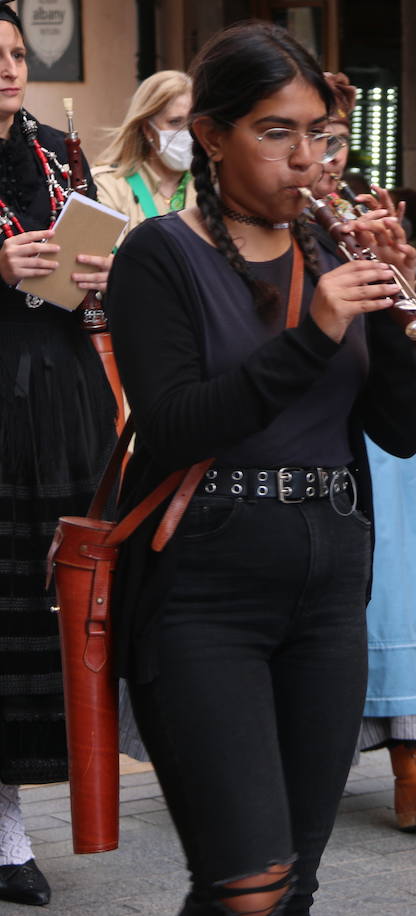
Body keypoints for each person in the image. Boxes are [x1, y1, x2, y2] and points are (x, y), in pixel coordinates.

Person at [103, 21, 416, 914]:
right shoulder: (159, 255)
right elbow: (170, 426)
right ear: (211, 136)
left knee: (295, 879)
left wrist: (399, 312)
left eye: (320, 135)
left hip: (329, 581)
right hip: (205, 587)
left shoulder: (334, 254)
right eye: (276, 132)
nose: (306, 160)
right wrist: (314, 332)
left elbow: (400, 432)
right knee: (246, 885)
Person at [311, 67, 416, 831]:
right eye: (309, 137)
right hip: (317, 428)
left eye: (338, 139)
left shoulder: (354, 212)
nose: (329, 155)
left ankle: (415, 766)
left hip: (391, 429)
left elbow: (415, 330)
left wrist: (407, 278)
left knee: (406, 589)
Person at [0, 0, 116, 905]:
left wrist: (96, 276)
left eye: (14, 54)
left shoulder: (55, 150)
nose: (8, 70)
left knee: (55, 604)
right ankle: (4, 831)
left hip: (64, 392)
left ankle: (31, 813)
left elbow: (94, 286)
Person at [92, 69, 197, 245]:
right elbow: (97, 260)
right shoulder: (107, 186)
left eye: (192, 122)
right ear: (147, 129)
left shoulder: (213, 185)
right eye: (175, 122)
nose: (186, 133)